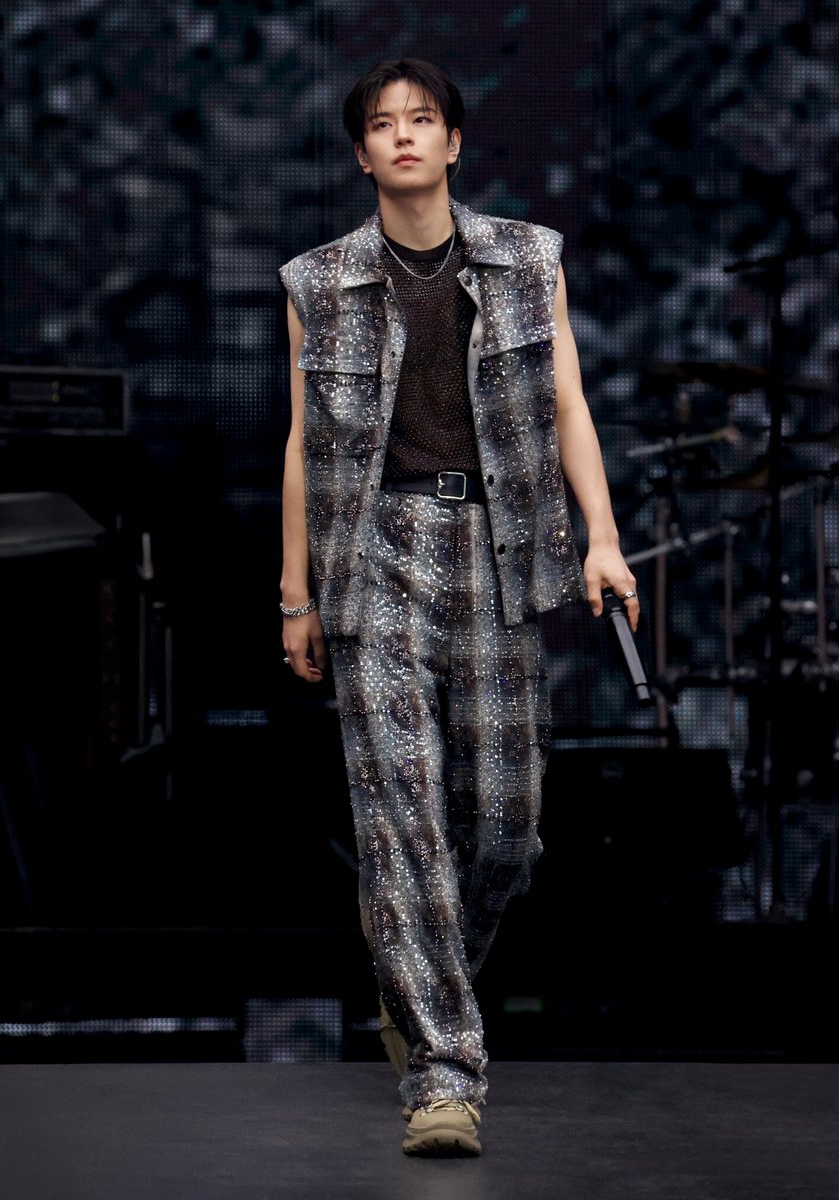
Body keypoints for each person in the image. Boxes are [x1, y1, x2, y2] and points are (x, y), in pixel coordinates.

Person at [278, 57, 639, 1157]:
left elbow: (568, 400)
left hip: (497, 548)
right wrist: (295, 594)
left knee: (506, 831)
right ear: (361, 154)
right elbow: (301, 443)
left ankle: (414, 972)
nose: (403, 135)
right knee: (405, 816)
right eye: (383, 123)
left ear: (454, 142)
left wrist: (603, 537)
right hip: (374, 552)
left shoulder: (529, 262)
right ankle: (443, 1077)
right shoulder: (319, 282)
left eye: (422, 118)